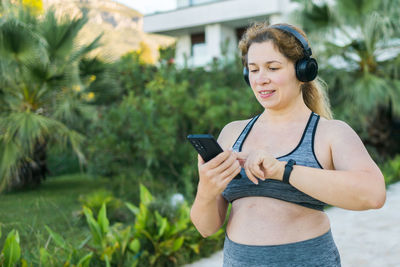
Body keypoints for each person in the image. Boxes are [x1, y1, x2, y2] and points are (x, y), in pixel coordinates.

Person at [189, 22, 386, 267]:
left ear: (303, 71)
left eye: (272, 68)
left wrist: (283, 171)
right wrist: (206, 190)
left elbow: (374, 194)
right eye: (253, 69)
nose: (261, 79)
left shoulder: (330, 133)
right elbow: (206, 228)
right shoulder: (232, 133)